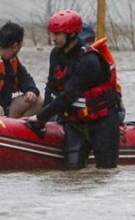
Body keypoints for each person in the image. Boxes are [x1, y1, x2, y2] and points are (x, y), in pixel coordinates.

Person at [27, 9, 122, 170]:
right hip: (75, 123)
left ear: (71, 34)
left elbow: (69, 95)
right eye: (52, 33)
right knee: (72, 173)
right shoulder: (55, 55)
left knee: (106, 172)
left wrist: (41, 117)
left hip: (103, 123)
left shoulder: (88, 60)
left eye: (57, 34)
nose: (53, 38)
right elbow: (51, 87)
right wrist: (46, 117)